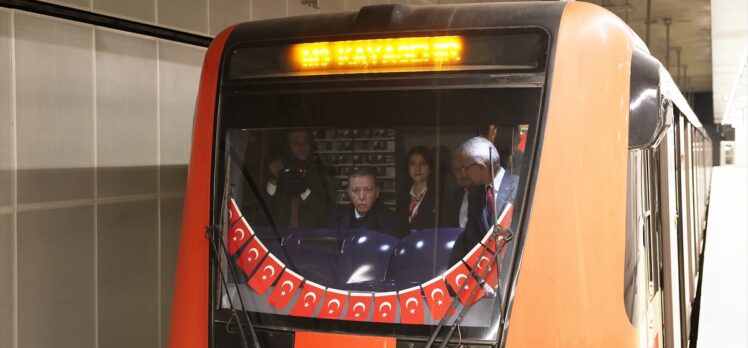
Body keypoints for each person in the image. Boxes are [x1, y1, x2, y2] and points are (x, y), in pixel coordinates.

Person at [449, 136, 518, 264]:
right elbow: (471, 239)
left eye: (466, 168)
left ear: (481, 167)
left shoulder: (520, 188)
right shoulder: (475, 195)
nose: (465, 174)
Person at [265, 129, 334, 228]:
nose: (301, 146)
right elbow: (265, 208)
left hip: (310, 238)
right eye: (296, 142)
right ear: (289, 146)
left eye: (305, 142)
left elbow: (326, 213)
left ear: (311, 145)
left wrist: (304, 191)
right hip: (280, 236)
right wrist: (274, 178)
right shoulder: (281, 169)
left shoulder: (321, 172)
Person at [328, 167, 402, 239]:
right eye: (355, 190)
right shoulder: (336, 218)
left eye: (368, 190)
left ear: (377, 192)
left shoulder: (391, 221)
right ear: (349, 193)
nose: (362, 197)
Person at [397, 146, 437, 232]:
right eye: (412, 163)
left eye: (423, 163)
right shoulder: (402, 196)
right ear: (408, 168)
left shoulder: (438, 195)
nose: (417, 168)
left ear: (430, 168)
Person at [440, 151, 474, 228]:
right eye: (458, 170)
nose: (464, 174)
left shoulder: (486, 194)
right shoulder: (454, 198)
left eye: (465, 168)